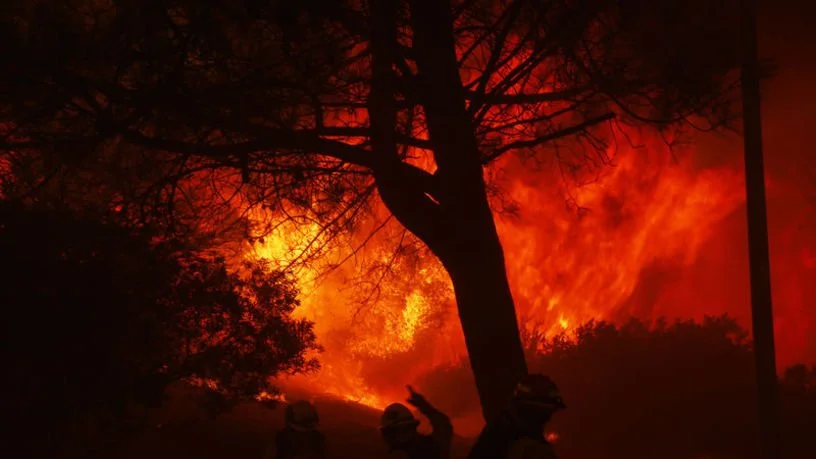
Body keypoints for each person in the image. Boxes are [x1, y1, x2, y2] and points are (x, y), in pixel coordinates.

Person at [467, 374, 566, 459]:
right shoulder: (531, 449)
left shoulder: (499, 431)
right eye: (548, 412)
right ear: (538, 411)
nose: (550, 418)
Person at [380, 385, 453, 459]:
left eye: (390, 433)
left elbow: (443, 426)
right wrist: (424, 406)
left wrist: (424, 405)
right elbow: (444, 425)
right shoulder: (434, 447)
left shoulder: (432, 450)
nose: (388, 438)